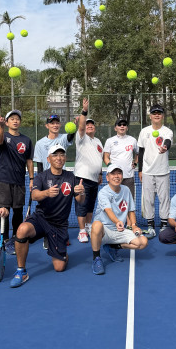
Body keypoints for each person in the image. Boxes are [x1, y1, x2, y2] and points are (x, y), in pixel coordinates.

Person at [10, 144, 85, 288]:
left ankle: (62, 253)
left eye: (62, 155)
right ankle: (21, 271)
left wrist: (81, 192)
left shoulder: (71, 177)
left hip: (59, 224)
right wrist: (46, 193)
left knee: (59, 267)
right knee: (22, 229)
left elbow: (80, 200)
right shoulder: (41, 177)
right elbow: (34, 195)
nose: (59, 158)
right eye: (55, 155)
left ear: (65, 158)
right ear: (48, 159)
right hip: (41, 219)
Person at [90, 163, 148, 275]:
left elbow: (131, 210)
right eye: (113, 174)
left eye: (119, 173)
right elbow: (108, 210)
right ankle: (96, 258)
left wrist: (134, 225)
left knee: (143, 242)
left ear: (122, 176)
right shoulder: (103, 193)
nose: (116, 176)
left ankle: (112, 247)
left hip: (119, 230)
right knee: (96, 225)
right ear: (107, 177)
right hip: (103, 232)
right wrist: (117, 221)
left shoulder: (126, 190)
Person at [0, 110, 34, 255]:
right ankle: (5, 239)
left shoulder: (27, 140)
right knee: (4, 211)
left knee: (18, 211)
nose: (15, 121)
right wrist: (1, 127)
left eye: (17, 119)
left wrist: (31, 179)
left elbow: (29, 161)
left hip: (19, 181)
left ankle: (17, 237)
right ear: (7, 122)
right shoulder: (3, 135)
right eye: (12, 119)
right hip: (3, 180)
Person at [137, 103, 174, 238]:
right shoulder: (144, 131)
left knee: (164, 199)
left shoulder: (167, 131)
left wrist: (165, 147)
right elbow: (141, 151)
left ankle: (164, 225)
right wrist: (140, 170)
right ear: (150, 116)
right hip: (147, 171)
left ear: (162, 116)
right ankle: (150, 226)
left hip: (163, 171)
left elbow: (168, 141)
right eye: (154, 113)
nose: (157, 115)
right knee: (148, 200)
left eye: (159, 113)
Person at [74, 98, 103, 243]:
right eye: (87, 124)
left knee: (91, 205)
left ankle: (88, 227)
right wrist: (84, 111)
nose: (89, 126)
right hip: (82, 178)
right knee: (82, 205)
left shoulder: (98, 141)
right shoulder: (81, 137)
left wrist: (100, 173)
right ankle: (81, 231)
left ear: (95, 128)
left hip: (94, 179)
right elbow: (81, 127)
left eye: (92, 124)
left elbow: (99, 158)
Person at [103, 117, 138, 200]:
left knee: (129, 201)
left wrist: (135, 162)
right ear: (115, 128)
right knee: (114, 201)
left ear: (127, 128)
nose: (122, 126)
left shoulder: (133, 140)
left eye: (124, 125)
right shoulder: (110, 141)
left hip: (128, 176)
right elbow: (105, 157)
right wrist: (111, 167)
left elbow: (138, 153)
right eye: (119, 125)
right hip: (114, 177)